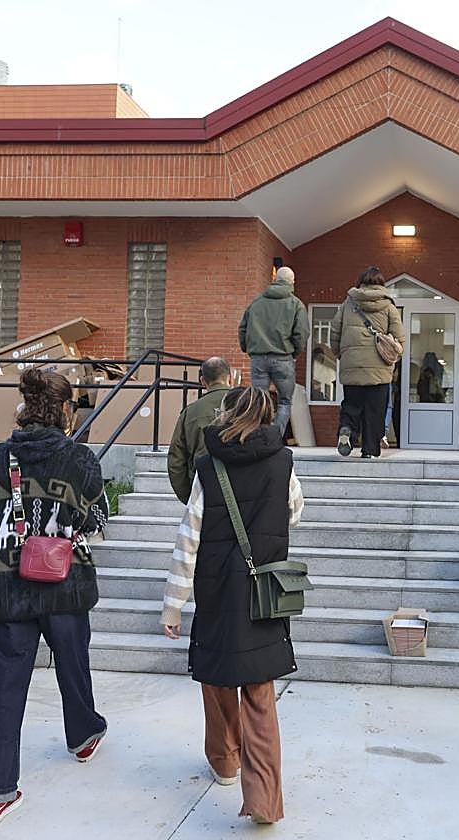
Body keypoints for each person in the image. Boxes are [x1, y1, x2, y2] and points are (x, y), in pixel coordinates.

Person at [161, 386, 304, 825]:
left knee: (217, 675)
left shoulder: (209, 467)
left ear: (227, 416)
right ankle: (264, 801)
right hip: (265, 589)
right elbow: (295, 511)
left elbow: (189, 538)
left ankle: (225, 762)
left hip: (218, 588)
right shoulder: (283, 461)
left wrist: (173, 604)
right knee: (260, 692)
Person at [0, 368, 110, 829]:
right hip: (64, 584)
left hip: (7, 585)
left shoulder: (1, 456)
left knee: (3, 691)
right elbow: (97, 519)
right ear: (65, 410)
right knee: (73, 665)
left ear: (26, 407)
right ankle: (84, 735)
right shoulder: (81, 459)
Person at [329, 266, 405, 459]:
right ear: (381, 283)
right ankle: (369, 450)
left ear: (361, 282)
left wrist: (341, 354)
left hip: (352, 365)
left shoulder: (348, 303)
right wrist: (393, 358)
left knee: (351, 405)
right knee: (375, 410)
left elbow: (335, 330)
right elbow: (399, 339)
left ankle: (347, 429)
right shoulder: (389, 306)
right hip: (379, 370)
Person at [238, 265, 308, 435]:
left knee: (258, 402)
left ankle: (257, 437)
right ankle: (275, 438)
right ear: (292, 282)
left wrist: (248, 348)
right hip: (283, 358)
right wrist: (294, 353)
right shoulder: (296, 305)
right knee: (285, 402)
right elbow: (301, 334)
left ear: (275, 280)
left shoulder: (256, 303)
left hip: (258, 358)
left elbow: (243, 329)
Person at [167, 356, 233, 504]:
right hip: (245, 484)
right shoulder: (248, 406)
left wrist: (189, 496)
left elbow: (176, 460)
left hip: (203, 487)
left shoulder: (190, 412)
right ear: (230, 378)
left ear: (203, 381)